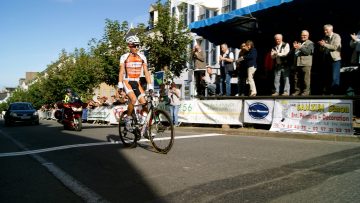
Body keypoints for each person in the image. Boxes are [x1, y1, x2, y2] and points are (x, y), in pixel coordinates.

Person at [118, 35, 153, 130]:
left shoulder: (142, 57)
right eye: (134, 46)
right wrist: (120, 85)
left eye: (138, 45)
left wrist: (150, 86)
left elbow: (146, 72)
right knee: (133, 99)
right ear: (129, 46)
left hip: (137, 82)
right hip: (127, 81)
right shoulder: (124, 57)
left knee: (144, 102)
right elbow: (121, 71)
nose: (137, 48)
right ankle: (128, 118)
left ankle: (144, 126)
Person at [318, 24, 342, 95]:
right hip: (327, 59)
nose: (325, 31)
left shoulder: (336, 36)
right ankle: (327, 92)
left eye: (326, 30)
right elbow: (321, 50)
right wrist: (321, 46)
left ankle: (334, 93)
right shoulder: (325, 37)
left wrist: (324, 45)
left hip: (335, 60)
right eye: (324, 30)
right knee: (327, 77)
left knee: (335, 77)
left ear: (331, 30)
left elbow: (335, 47)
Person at [292, 30, 314, 96]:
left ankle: (306, 91)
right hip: (297, 63)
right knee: (296, 78)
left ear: (308, 36)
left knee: (306, 79)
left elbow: (308, 52)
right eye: (302, 35)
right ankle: (297, 91)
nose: (303, 36)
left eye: (305, 35)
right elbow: (294, 53)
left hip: (306, 63)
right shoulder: (298, 42)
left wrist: (300, 47)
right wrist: (293, 48)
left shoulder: (310, 43)